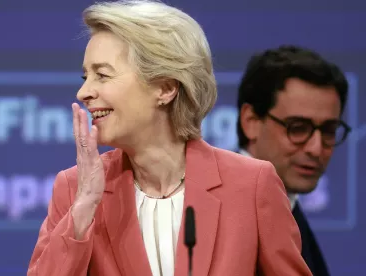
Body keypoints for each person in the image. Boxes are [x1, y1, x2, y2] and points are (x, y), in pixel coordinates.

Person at [27, 1, 312, 275]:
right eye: (85, 77)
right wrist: (85, 205)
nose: (84, 92)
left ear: (165, 88)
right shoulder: (75, 189)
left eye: (102, 75)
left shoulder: (252, 186)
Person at [236, 45, 351, 276]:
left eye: (328, 130)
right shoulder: (222, 217)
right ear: (251, 121)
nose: (316, 148)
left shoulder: (289, 208)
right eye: (298, 128)